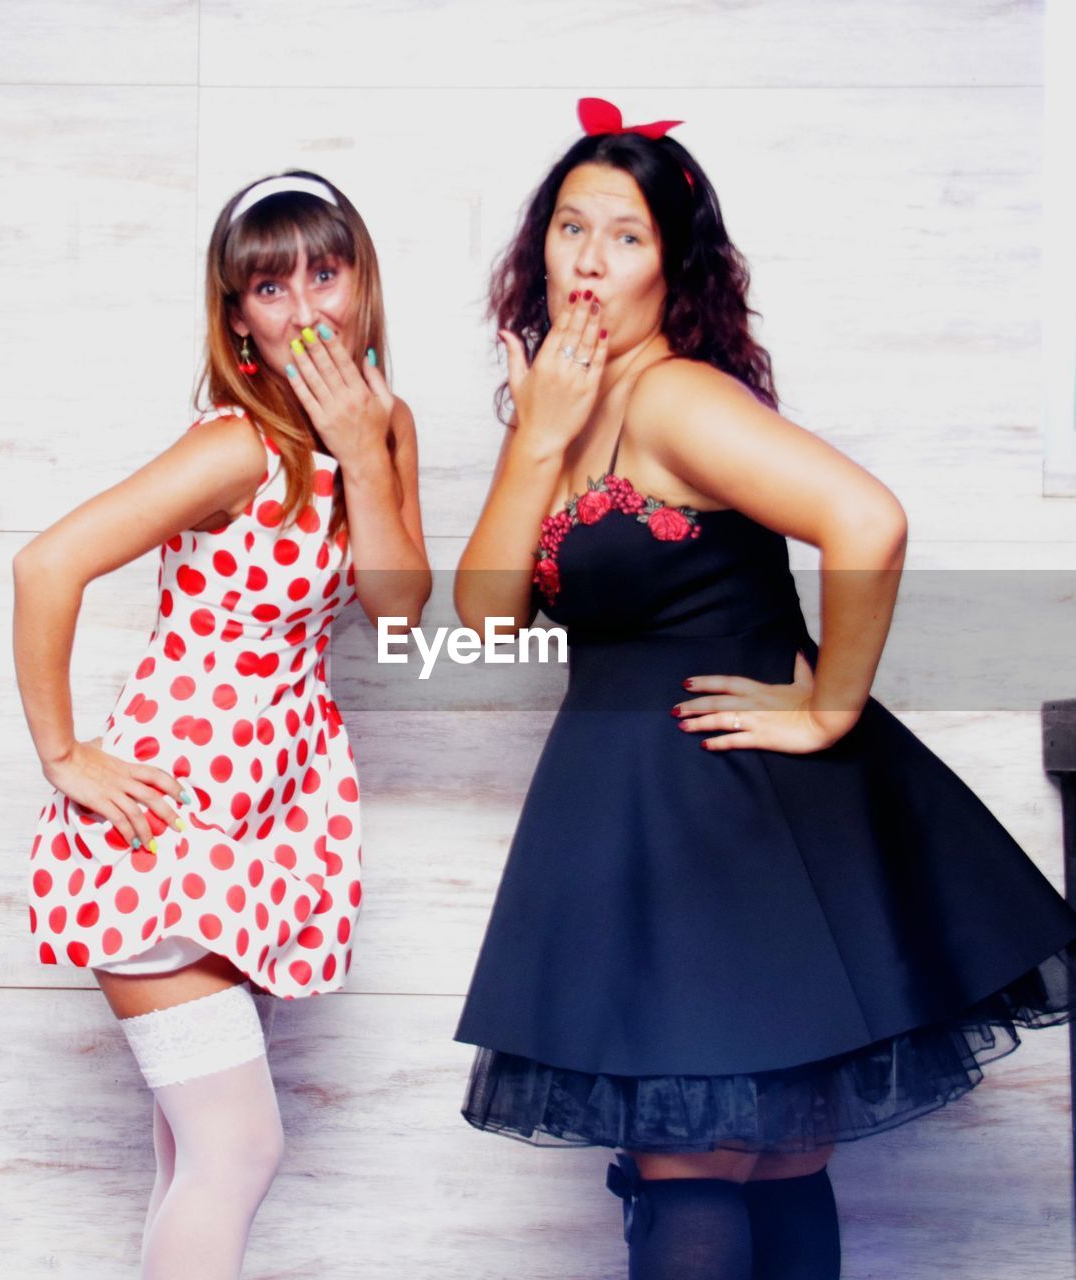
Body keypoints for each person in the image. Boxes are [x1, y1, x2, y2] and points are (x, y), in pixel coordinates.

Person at [452, 98, 1076, 1280]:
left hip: (728, 812)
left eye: (624, 234)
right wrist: (535, 436)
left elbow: (866, 519)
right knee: (768, 1151)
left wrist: (829, 703)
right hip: (637, 810)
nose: (588, 257)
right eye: (570, 226)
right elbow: (485, 618)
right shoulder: (559, 407)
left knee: (706, 1157)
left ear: (671, 264)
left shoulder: (677, 396)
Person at [15, 170, 430, 1278]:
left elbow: (399, 608)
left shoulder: (386, 430)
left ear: (360, 281)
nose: (305, 308)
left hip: (264, 818)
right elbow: (47, 562)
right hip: (169, 819)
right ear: (236, 311)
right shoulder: (236, 447)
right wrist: (65, 753)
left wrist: (365, 439)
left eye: (324, 272)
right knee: (239, 1146)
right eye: (269, 284)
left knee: (194, 1152)